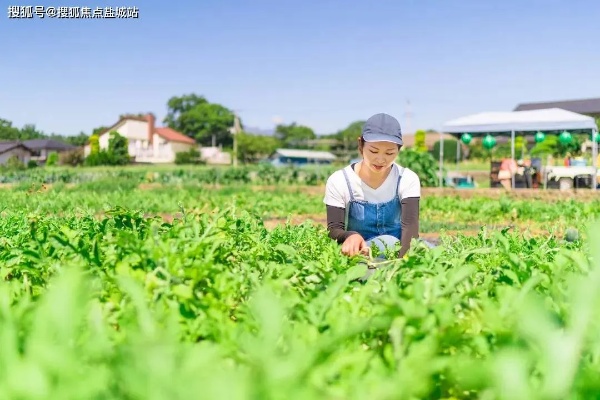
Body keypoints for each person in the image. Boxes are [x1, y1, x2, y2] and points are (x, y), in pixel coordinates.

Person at [322, 113, 423, 260]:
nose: (381, 159)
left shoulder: (407, 179)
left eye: (389, 153)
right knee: (387, 244)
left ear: (398, 150)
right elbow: (333, 230)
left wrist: (402, 267)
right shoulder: (340, 180)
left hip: (400, 249)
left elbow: (410, 229)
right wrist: (351, 235)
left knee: (432, 252)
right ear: (360, 145)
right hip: (360, 251)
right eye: (373, 151)